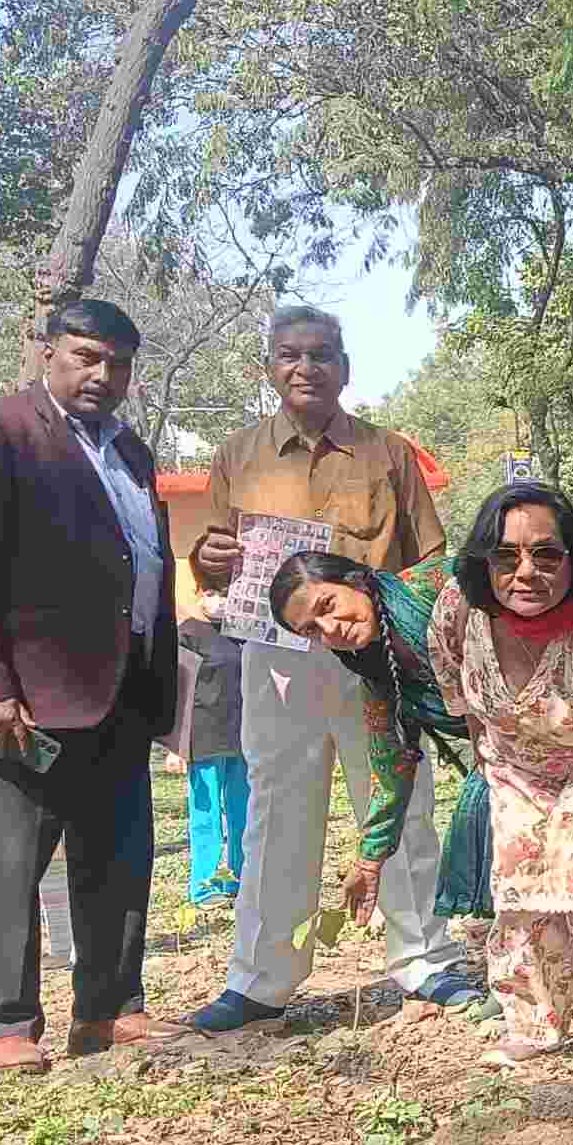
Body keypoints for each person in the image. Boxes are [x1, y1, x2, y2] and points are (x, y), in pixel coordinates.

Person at [183, 305, 478, 1037]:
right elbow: (212, 560)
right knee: (276, 815)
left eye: (320, 355)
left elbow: (429, 559)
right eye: (289, 355)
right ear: (269, 367)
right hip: (277, 664)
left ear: (344, 366)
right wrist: (207, 559)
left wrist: (425, 655)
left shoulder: (389, 454)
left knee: (402, 803)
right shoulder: (237, 455)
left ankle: (422, 958)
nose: (304, 368)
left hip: (374, 659)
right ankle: (261, 980)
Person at [0, 298, 177, 1073]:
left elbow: (139, 561)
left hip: (122, 690)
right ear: (48, 351)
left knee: (119, 858)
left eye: (119, 363)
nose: (103, 374)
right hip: (22, 699)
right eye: (86, 356)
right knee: (9, 858)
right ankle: (4, 1020)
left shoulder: (131, 450)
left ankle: (108, 1009)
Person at [429, 483, 573, 1074]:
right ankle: (536, 1021)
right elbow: (456, 691)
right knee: (517, 879)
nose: (526, 572)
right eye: (507, 556)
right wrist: (493, 765)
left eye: (546, 555)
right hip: (512, 767)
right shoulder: (460, 610)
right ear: (485, 563)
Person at [266, 550, 495, 934]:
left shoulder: (438, 586)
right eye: (312, 630)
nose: (331, 629)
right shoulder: (380, 675)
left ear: (355, 580)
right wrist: (369, 862)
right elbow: (391, 766)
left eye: (328, 605)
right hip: (510, 765)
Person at [174, 615, 250, 904]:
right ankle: (202, 885)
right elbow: (175, 690)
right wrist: (175, 746)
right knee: (205, 817)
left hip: (241, 734)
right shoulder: (189, 633)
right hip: (202, 738)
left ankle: (238, 879)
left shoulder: (244, 631)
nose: (217, 599)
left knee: (241, 812)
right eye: (209, 589)